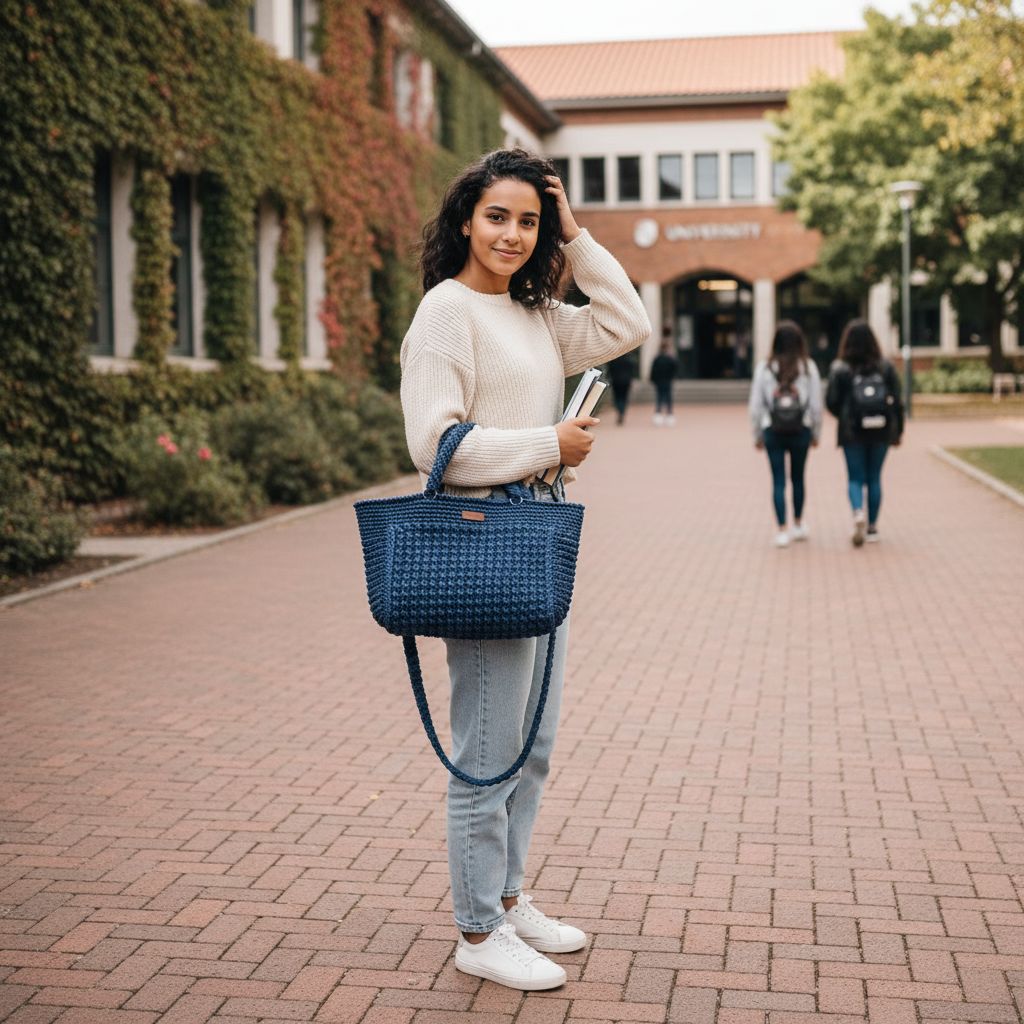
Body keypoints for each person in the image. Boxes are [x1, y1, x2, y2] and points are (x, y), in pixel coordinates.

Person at [400, 148, 649, 991]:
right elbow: (436, 446)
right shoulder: (446, 313)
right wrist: (551, 443)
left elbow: (626, 325)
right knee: (488, 748)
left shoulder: (538, 313)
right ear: (466, 219)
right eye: (497, 216)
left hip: (540, 528)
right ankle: (477, 929)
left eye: (529, 220)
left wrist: (577, 236)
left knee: (532, 743)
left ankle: (506, 895)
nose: (512, 234)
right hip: (482, 532)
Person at [826, 319, 904, 546]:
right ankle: (872, 528)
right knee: (874, 478)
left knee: (855, 478)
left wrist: (844, 415)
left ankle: (858, 511)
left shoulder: (841, 368)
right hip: (881, 430)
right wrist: (897, 432)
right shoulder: (885, 367)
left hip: (852, 431)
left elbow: (831, 401)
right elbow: (897, 401)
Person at [748, 320, 822, 547]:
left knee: (778, 480)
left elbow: (756, 405)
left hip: (773, 429)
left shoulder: (765, 367)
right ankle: (798, 524)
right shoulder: (808, 367)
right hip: (801, 429)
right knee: (798, 478)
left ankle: (781, 530)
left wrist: (757, 434)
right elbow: (816, 406)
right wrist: (816, 432)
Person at [650, 332, 679, 425]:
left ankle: (658, 414)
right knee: (668, 398)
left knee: (659, 397)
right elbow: (675, 368)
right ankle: (669, 415)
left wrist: (653, 379)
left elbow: (653, 370)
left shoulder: (657, 358)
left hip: (659, 381)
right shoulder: (670, 359)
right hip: (667, 380)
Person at [607, 351, 636, 425]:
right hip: (626, 382)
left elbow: (610, 371)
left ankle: (619, 411)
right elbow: (632, 372)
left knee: (617, 398)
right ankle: (622, 411)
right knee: (624, 398)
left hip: (616, 382)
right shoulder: (629, 361)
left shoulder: (614, 361)